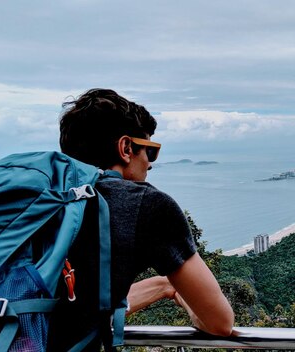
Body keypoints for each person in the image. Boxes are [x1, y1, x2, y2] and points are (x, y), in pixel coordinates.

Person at [48, 88, 234, 350]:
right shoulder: (145, 204)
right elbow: (219, 322)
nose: (150, 164)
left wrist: (163, 286)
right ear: (126, 148)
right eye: (150, 151)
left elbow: (75, 303)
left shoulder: (44, 199)